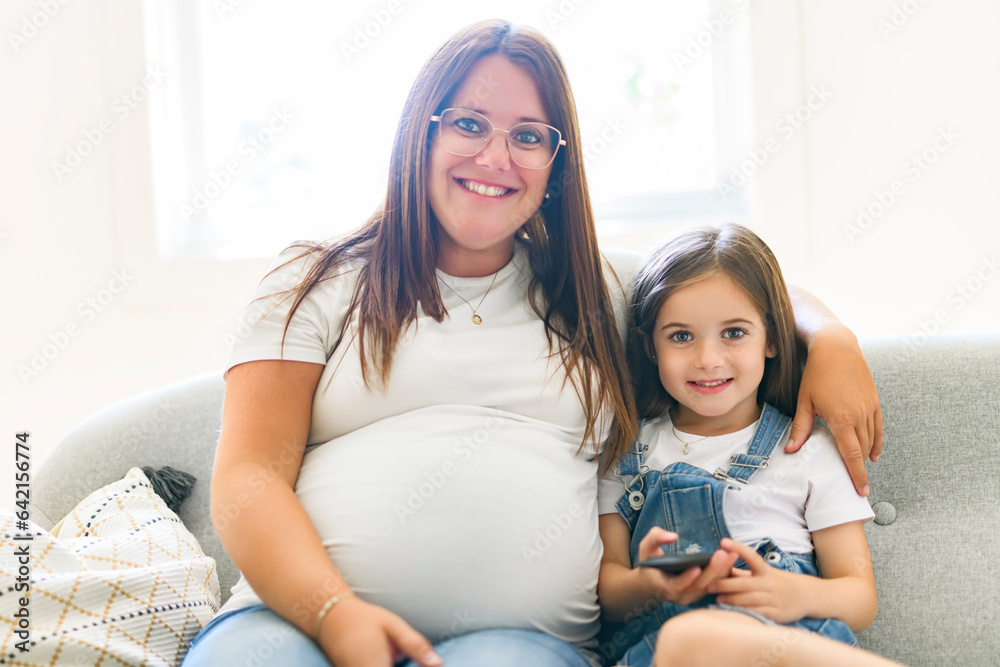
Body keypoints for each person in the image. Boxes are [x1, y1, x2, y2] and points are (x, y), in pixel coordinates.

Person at [181, 20, 882, 667]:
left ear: (556, 164)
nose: (496, 156)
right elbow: (248, 479)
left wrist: (831, 338)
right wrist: (335, 614)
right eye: (468, 123)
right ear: (418, 135)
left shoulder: (596, 289)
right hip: (291, 621)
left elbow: (733, 288)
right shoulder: (316, 279)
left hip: (521, 642)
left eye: (528, 136)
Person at [596, 224, 898, 667]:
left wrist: (797, 594)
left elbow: (859, 596)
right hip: (664, 651)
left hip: (787, 645)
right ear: (650, 347)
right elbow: (608, 592)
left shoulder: (808, 451)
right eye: (681, 336)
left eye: (734, 333)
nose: (708, 359)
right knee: (691, 637)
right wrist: (651, 585)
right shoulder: (625, 452)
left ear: (773, 338)